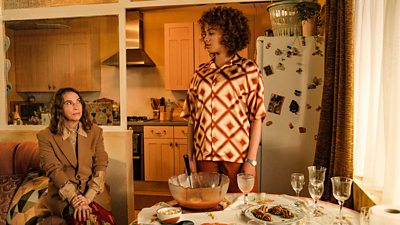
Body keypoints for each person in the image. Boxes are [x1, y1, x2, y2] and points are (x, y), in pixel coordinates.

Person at [181, 6, 266, 193]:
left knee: (240, 212)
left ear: (229, 33)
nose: (205, 38)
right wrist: (191, 158)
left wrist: (251, 161)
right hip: (205, 158)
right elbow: (191, 120)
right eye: (204, 33)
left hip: (236, 158)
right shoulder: (199, 74)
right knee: (208, 212)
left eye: (211, 33)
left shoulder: (248, 70)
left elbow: (256, 118)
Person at [37, 87, 115, 225]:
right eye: (69, 103)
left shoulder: (95, 132)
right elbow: (53, 170)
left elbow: (101, 164)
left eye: (78, 101)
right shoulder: (45, 136)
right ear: (59, 108)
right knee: (83, 220)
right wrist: (75, 199)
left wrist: (88, 198)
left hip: (94, 194)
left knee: (104, 222)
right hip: (64, 197)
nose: (76, 106)